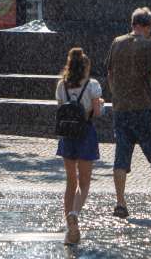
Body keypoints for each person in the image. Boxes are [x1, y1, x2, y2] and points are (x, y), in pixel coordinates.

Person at [105, 7, 151, 219]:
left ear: (133, 24)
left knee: (121, 157)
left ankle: (120, 203)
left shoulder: (117, 42)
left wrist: (117, 94)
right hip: (145, 108)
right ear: (147, 26)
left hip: (121, 109)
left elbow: (109, 73)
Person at [56, 48, 104, 245]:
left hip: (67, 135)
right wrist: (98, 104)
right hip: (85, 134)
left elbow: (60, 109)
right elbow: (98, 112)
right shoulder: (92, 85)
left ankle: (70, 229)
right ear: (86, 67)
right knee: (84, 182)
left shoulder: (62, 85)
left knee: (70, 181)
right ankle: (75, 213)